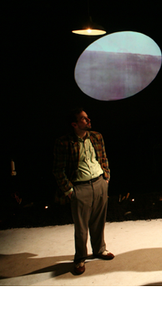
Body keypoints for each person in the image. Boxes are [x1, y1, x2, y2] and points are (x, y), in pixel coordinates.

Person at [53, 108, 114, 275]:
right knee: (81, 227)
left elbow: (103, 157)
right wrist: (69, 191)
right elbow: (58, 170)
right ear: (74, 124)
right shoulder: (64, 142)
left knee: (99, 221)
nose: (88, 120)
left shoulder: (96, 136)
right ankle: (80, 258)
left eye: (87, 118)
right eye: (84, 119)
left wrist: (106, 177)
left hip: (99, 183)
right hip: (80, 187)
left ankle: (99, 250)